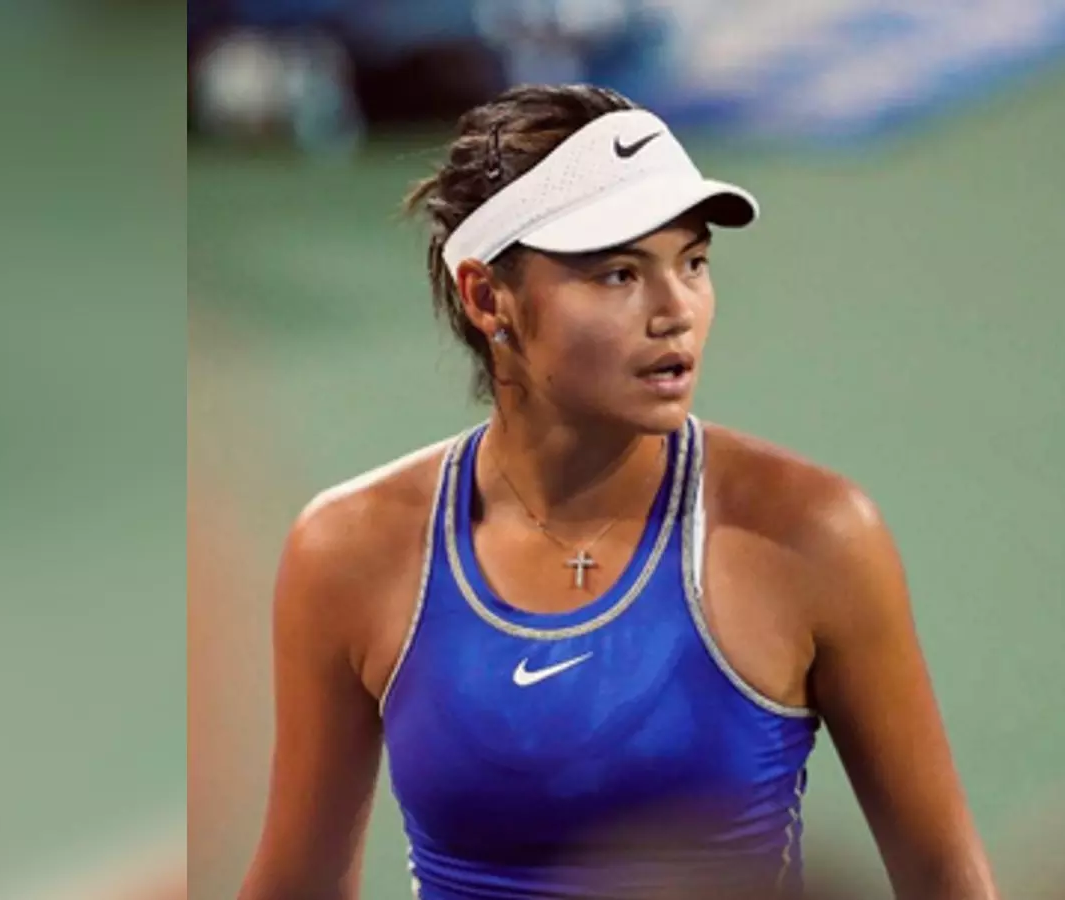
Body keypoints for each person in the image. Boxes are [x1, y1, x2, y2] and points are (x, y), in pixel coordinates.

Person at [238, 83, 998, 900]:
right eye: (618, 274)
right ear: (487, 297)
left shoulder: (815, 536)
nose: (677, 311)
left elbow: (944, 878)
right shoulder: (348, 551)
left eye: (694, 262)